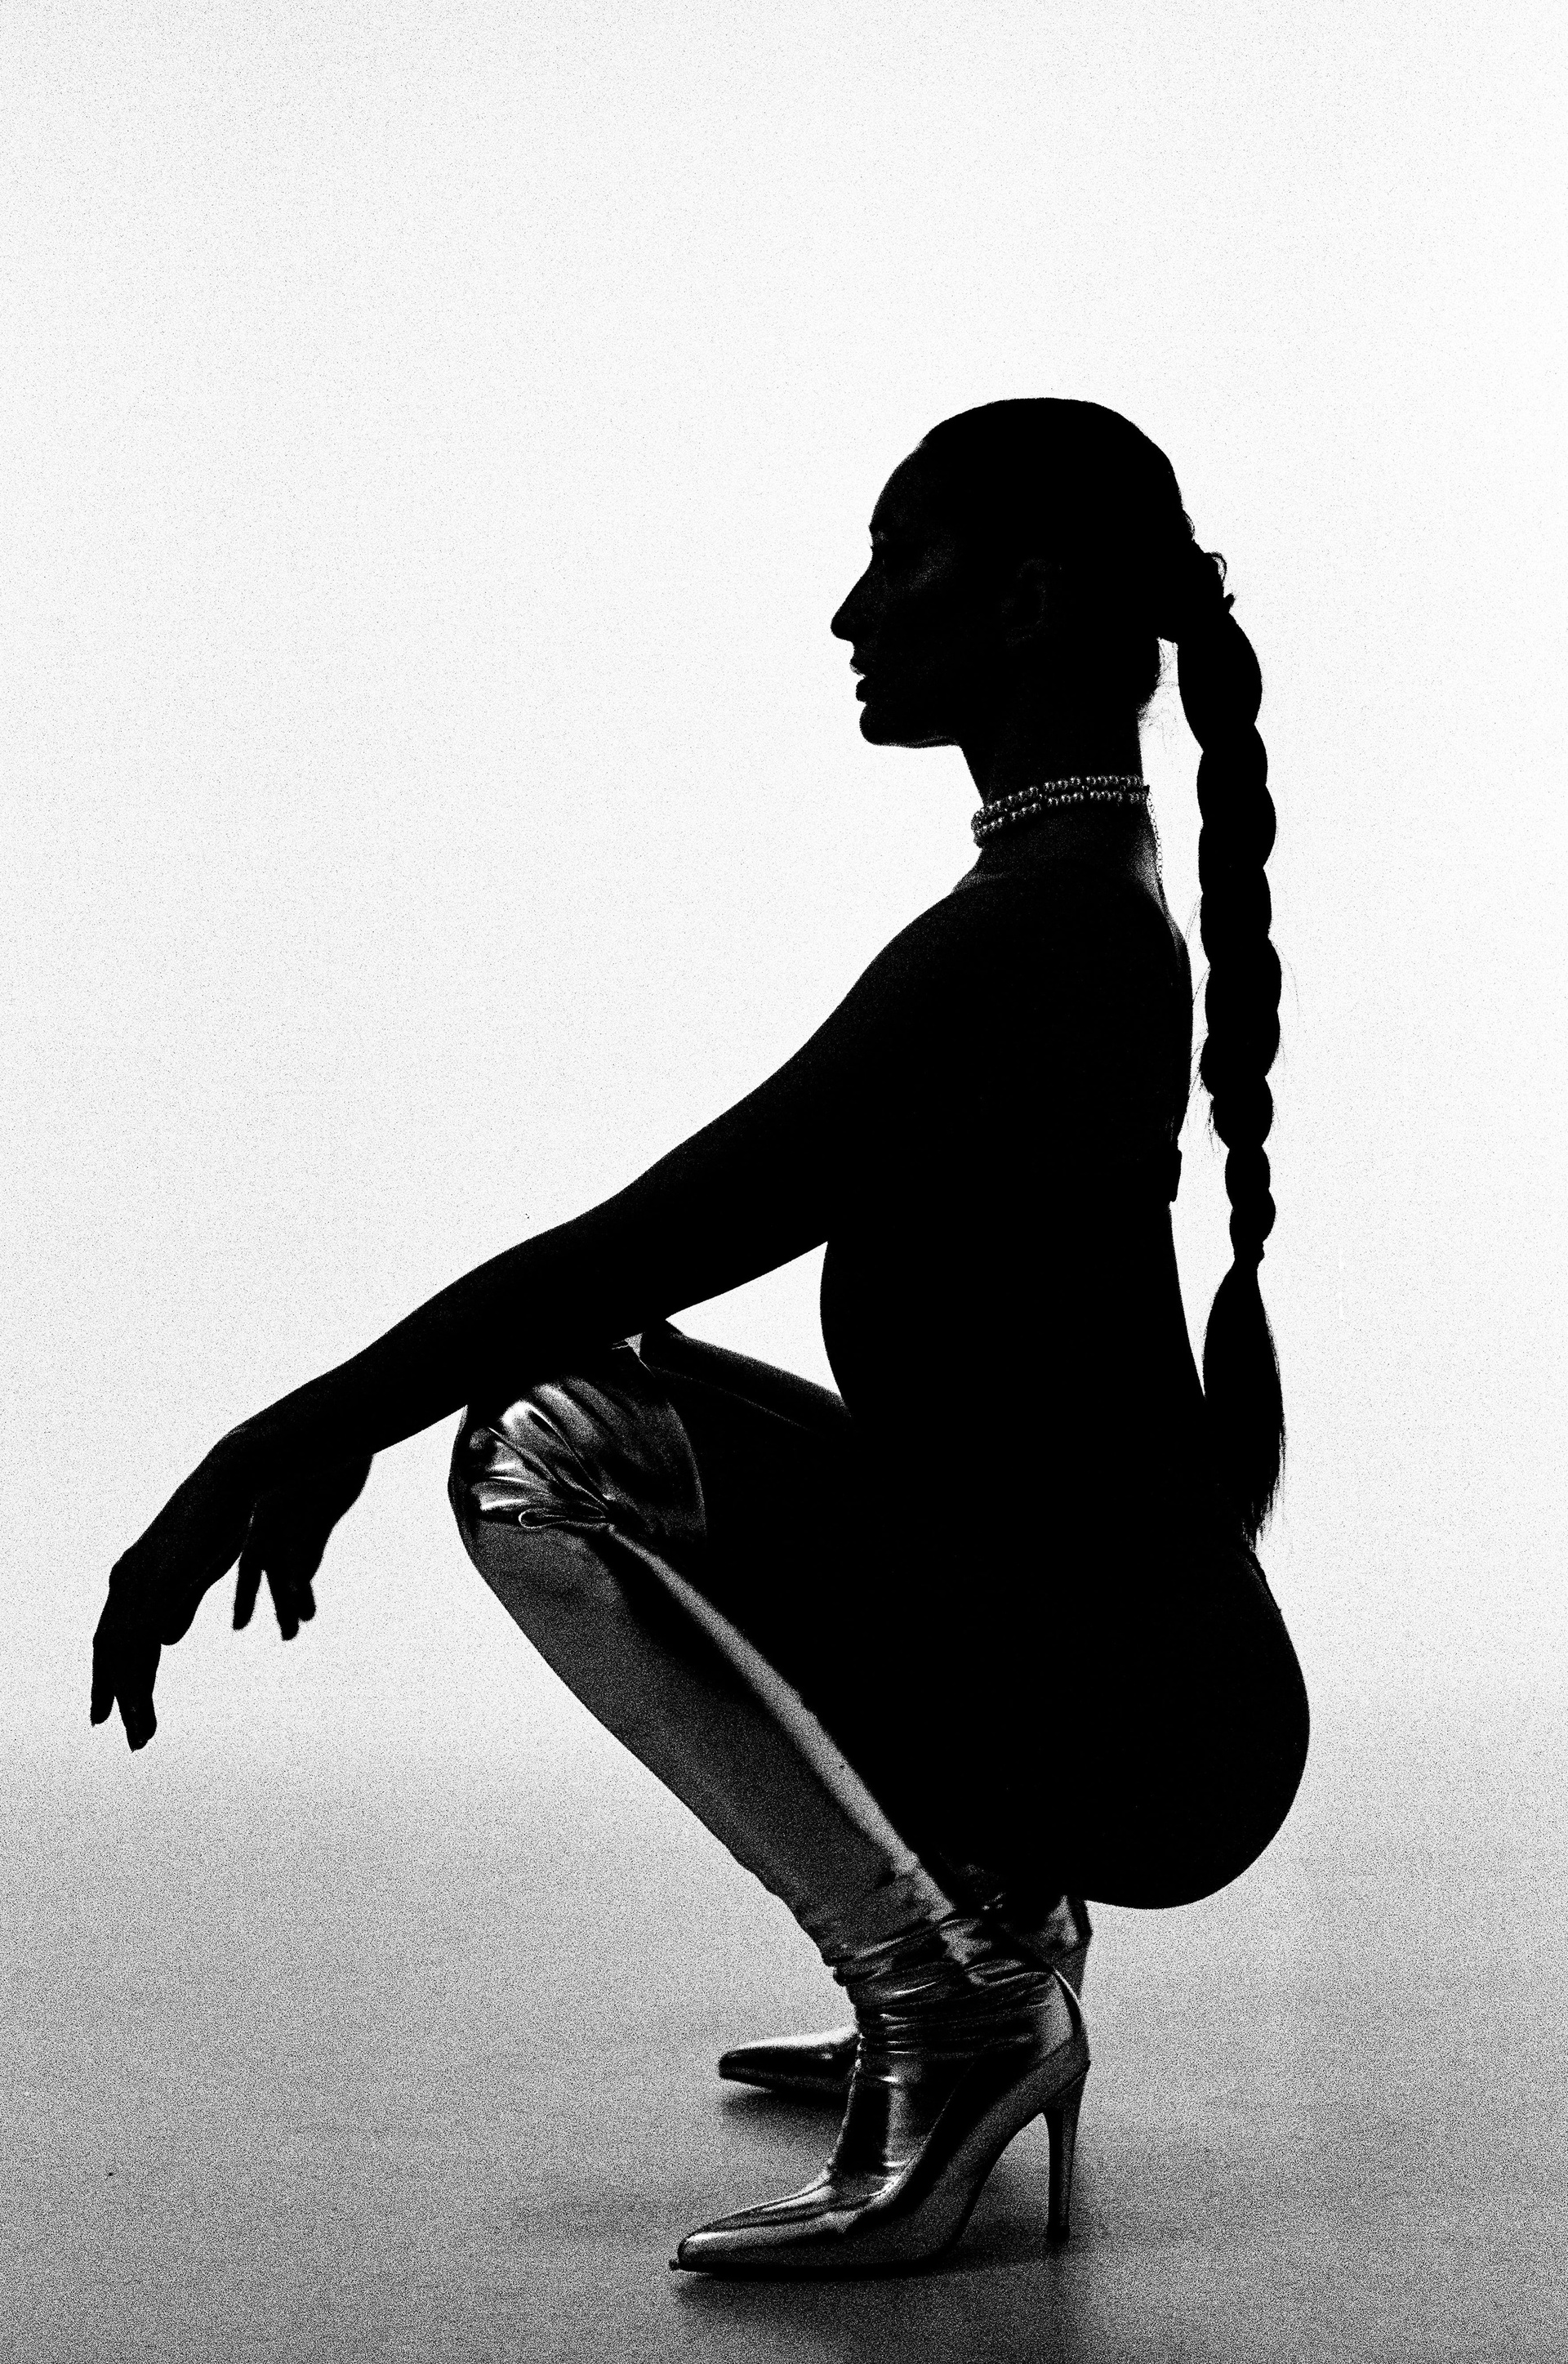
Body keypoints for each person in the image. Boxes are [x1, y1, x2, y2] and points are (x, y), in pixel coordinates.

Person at [91, 398, 1310, 2278]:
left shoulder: (1033, 936)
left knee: (541, 1448)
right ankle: (998, 1913)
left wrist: (284, 1436)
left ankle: (961, 1998)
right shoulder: (1069, 899)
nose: (850, 613)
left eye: (899, 560)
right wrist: (330, 1419)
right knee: (607, 1389)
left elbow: (644, 1239)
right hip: (1113, 1652)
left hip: (1128, 1707)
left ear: (1027, 601)